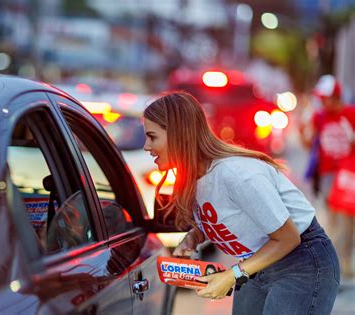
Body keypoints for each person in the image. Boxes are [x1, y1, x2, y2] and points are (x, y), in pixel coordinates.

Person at [143, 91, 340, 314]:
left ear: (180, 135)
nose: (146, 147)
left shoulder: (236, 173)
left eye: (152, 137)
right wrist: (193, 238)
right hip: (258, 262)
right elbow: (226, 215)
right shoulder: (193, 177)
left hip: (301, 260)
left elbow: (288, 238)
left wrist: (231, 276)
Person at [307, 74, 355, 279]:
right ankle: (334, 266)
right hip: (327, 176)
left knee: (346, 223)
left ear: (335, 97)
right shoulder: (319, 117)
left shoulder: (350, 114)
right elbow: (312, 145)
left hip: (347, 176)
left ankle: (343, 265)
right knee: (332, 221)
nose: (322, 101)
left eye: (325, 98)